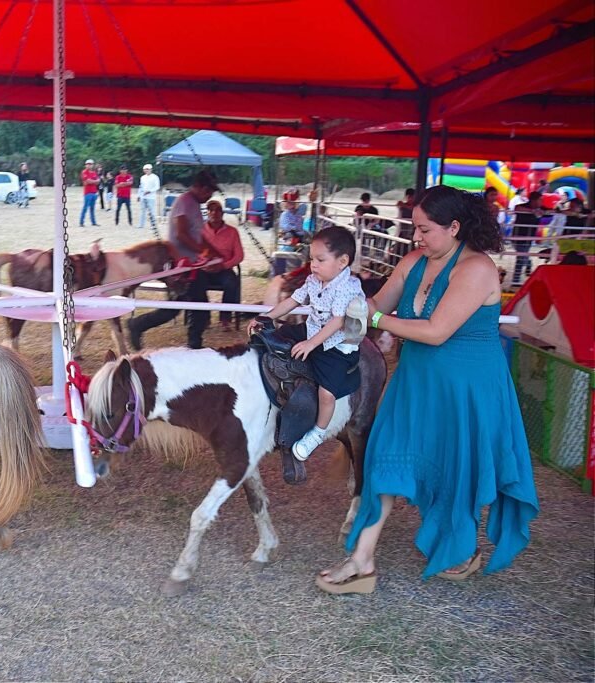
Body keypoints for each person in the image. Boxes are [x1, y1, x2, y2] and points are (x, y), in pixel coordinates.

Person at [316, 185, 538, 594]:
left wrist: (376, 320)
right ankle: (362, 561)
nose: (416, 237)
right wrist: (331, 298)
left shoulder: (479, 270)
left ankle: (461, 546)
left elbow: (435, 331)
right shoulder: (415, 260)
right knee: (383, 458)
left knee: (455, 467)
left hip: (467, 388)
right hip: (416, 380)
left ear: (454, 227)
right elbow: (373, 303)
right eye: (415, 229)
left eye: (424, 229)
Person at [249, 226, 364, 461]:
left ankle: (317, 433)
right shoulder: (314, 280)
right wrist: (266, 317)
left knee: (327, 394)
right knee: (273, 339)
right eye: (312, 259)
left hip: (336, 345)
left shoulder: (348, 287)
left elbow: (337, 322)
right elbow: (293, 300)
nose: (313, 265)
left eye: (320, 260)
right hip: (313, 329)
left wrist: (311, 344)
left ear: (342, 261)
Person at [127, 170, 218, 350]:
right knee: (179, 307)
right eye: (209, 192)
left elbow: (197, 234)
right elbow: (181, 234)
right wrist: (204, 251)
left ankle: (194, 343)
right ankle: (139, 325)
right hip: (181, 264)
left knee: (193, 306)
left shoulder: (193, 204)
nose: (209, 197)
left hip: (190, 264)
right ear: (200, 187)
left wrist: (211, 251)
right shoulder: (185, 202)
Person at [201, 199, 244, 328]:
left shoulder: (232, 232)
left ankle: (225, 318)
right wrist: (204, 264)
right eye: (211, 210)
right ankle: (203, 318)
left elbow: (239, 256)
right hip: (204, 268)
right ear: (207, 213)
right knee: (195, 284)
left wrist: (224, 265)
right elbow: (192, 252)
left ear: (222, 213)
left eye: (217, 210)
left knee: (231, 283)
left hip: (224, 268)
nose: (214, 213)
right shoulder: (199, 230)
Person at [510, 191, 542, 285]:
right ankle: (528, 262)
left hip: (528, 238)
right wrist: (532, 211)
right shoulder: (523, 206)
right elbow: (517, 208)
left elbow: (553, 212)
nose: (541, 202)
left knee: (520, 257)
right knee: (522, 255)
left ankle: (515, 280)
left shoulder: (541, 209)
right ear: (533, 200)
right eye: (540, 200)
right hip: (517, 235)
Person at [137, 163, 160, 230]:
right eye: (145, 169)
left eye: (147, 169)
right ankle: (141, 224)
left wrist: (150, 191)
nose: (146, 170)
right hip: (143, 196)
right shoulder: (142, 177)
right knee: (142, 210)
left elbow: (157, 187)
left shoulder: (155, 177)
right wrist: (139, 195)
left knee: (152, 211)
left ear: (150, 169)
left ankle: (153, 226)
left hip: (151, 197)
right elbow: (140, 187)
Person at [79, 159, 100, 227]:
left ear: (92, 165)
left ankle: (93, 222)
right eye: (88, 164)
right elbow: (88, 181)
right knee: (85, 207)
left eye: (90, 164)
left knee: (92, 208)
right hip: (88, 193)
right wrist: (94, 181)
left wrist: (91, 181)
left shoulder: (94, 173)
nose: (89, 165)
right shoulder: (84, 172)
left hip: (94, 192)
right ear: (85, 165)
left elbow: (97, 181)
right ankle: (81, 222)